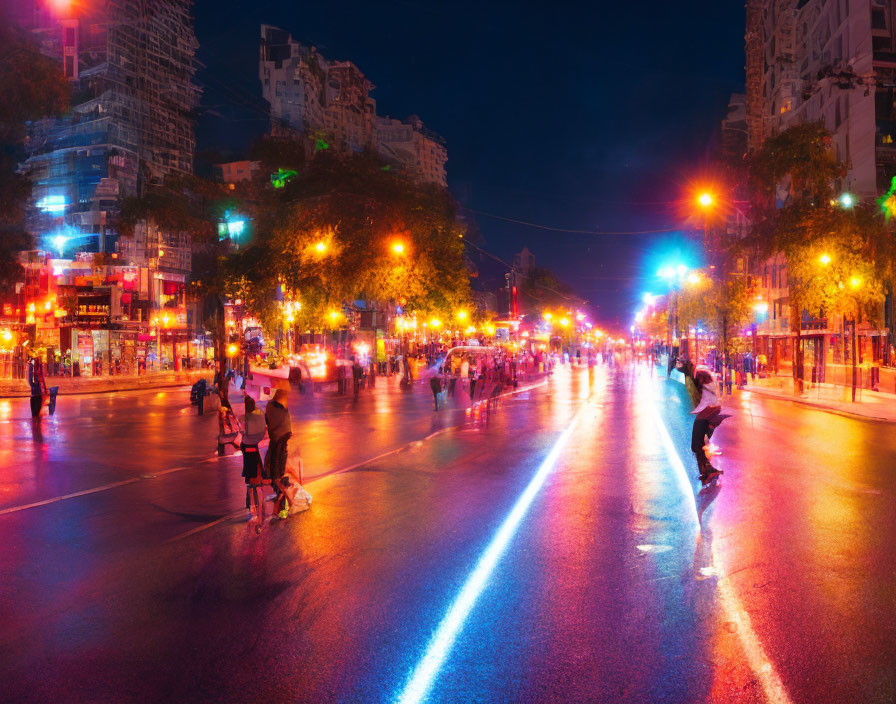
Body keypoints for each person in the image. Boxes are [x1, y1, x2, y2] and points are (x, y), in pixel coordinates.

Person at [265, 388, 292, 519]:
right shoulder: (283, 408)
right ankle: (282, 500)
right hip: (282, 442)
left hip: (277, 443)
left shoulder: (271, 406)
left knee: (274, 474)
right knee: (278, 473)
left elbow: (269, 423)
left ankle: (284, 500)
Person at [241, 395, 267, 522]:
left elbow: (243, 435)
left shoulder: (246, 418)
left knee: (251, 483)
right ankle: (261, 506)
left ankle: (253, 509)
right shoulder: (260, 414)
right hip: (259, 451)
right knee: (259, 482)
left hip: (249, 452)